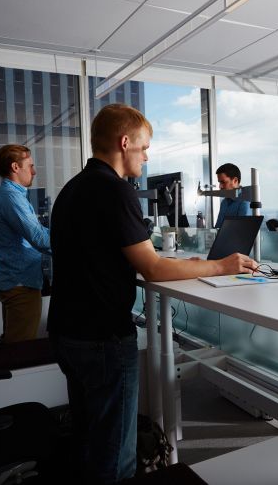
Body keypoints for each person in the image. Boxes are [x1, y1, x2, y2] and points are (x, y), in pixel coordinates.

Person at [48, 104, 256, 484]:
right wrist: (221, 266)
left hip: (67, 333)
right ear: (124, 143)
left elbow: (105, 252)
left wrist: (191, 262)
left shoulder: (73, 189)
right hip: (102, 339)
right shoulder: (115, 190)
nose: (146, 155)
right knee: (115, 457)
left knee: (88, 438)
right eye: (143, 147)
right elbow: (154, 269)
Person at [0, 144, 50, 343]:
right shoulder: (11, 197)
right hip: (20, 284)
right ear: (16, 167)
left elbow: (39, 233)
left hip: (15, 280)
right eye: (30, 166)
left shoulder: (12, 195)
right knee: (19, 351)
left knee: (11, 343)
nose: (34, 171)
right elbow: (40, 239)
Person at [214, 162, 251, 228]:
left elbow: (242, 231)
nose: (220, 186)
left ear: (235, 180)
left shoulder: (245, 202)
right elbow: (218, 228)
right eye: (219, 182)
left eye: (223, 182)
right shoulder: (224, 202)